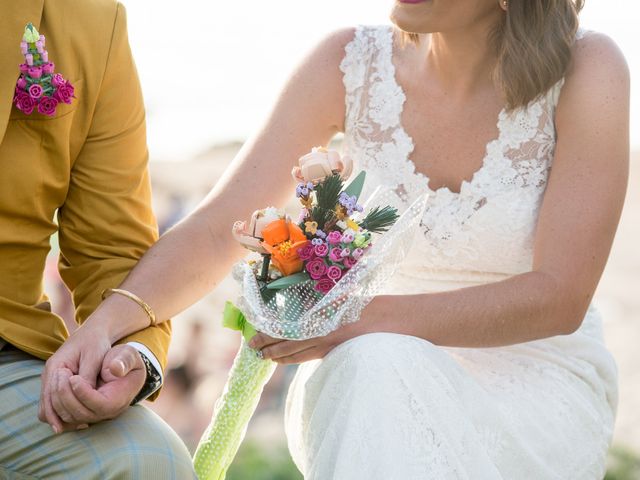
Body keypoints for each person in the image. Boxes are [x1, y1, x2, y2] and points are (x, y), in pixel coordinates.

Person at [42, 0, 629, 478]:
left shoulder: (588, 69)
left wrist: (345, 323)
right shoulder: (349, 61)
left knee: (374, 355)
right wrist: (104, 325)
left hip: (531, 385)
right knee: (374, 364)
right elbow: (215, 226)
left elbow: (560, 296)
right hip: (365, 375)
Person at [0, 0, 195, 478]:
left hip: (6, 350)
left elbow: (111, 249)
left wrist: (128, 354)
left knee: (150, 462)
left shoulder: (92, 21)